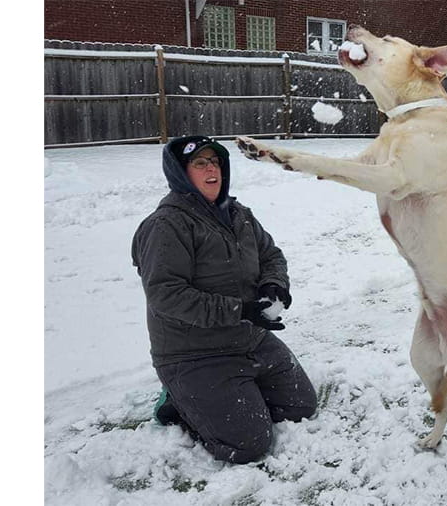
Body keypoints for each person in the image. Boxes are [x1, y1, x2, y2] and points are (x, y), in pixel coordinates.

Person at [131, 135, 317, 464]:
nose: (210, 168)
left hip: (248, 337)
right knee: (247, 445)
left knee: (299, 408)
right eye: (199, 163)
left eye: (215, 161)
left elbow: (271, 256)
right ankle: (179, 399)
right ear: (180, 173)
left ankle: (231, 394)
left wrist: (274, 286)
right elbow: (166, 295)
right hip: (194, 353)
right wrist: (239, 310)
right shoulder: (166, 225)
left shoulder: (239, 214)